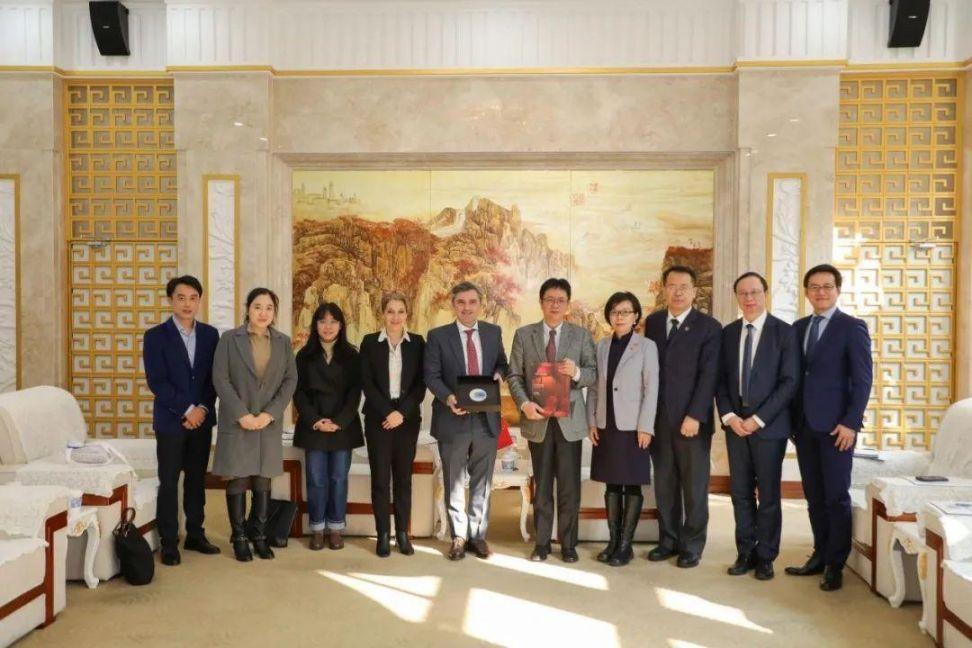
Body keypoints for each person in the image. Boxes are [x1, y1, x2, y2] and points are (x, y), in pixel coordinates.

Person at [786, 264, 872, 592]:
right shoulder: (798, 328)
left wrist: (851, 422)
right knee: (814, 496)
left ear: (837, 290)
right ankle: (819, 554)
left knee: (836, 496)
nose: (820, 292)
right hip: (805, 426)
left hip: (838, 429)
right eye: (814, 287)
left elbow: (863, 380)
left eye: (827, 286)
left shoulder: (852, 327)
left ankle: (836, 564)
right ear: (806, 292)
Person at [716, 272, 799, 581]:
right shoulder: (728, 333)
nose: (749, 298)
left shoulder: (784, 333)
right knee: (739, 493)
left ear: (765, 294)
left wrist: (758, 419)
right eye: (743, 293)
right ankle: (745, 552)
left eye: (754, 292)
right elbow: (720, 380)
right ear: (737, 297)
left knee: (768, 494)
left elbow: (789, 382)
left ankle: (766, 556)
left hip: (769, 427)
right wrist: (730, 417)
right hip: (735, 427)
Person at [507, 278, 597, 563]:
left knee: (569, 487)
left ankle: (568, 545)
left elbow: (593, 374)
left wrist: (577, 372)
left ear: (567, 304)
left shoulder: (580, 336)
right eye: (549, 299)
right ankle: (542, 543)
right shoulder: (524, 335)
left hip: (570, 422)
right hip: (538, 420)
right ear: (541, 302)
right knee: (542, 486)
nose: (555, 305)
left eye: (560, 300)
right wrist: (524, 404)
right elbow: (514, 376)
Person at [212, 287, 298, 562]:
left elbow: (290, 381)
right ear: (248, 309)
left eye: (269, 308)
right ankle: (239, 536)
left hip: (267, 423)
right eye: (257, 306)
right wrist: (242, 414)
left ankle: (259, 535)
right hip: (238, 422)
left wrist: (269, 414)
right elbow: (220, 379)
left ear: (274, 312)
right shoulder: (229, 339)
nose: (263, 313)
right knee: (238, 478)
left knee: (263, 479)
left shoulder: (283, 342)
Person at [643, 265, 721, 568]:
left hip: (692, 421)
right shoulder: (653, 322)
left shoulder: (709, 327)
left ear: (694, 291)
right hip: (659, 420)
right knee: (664, 484)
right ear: (664, 289)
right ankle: (668, 540)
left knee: (694, 487)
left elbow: (709, 376)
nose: (677, 292)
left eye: (684, 286)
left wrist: (695, 415)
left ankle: (692, 545)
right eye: (672, 286)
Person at [424, 281, 509, 561]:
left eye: (472, 302)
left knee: (483, 481)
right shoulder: (438, 336)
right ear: (453, 305)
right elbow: (431, 375)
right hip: (453, 418)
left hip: (486, 419)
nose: (467, 307)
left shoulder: (493, 332)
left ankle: (478, 536)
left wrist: (499, 375)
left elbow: (502, 363)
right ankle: (459, 536)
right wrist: (449, 398)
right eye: (461, 302)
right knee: (454, 480)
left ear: (480, 305)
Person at [142, 275, 221, 566]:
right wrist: (187, 410)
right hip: (170, 421)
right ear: (170, 300)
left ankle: (196, 534)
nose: (187, 304)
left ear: (199, 301)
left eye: (193, 298)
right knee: (169, 481)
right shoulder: (155, 336)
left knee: (197, 480)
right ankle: (168, 541)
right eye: (181, 297)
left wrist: (202, 408)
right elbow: (157, 381)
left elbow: (214, 378)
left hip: (202, 420)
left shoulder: (211, 335)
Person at [587, 291, 659, 566]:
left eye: (626, 312)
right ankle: (613, 541)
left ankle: (626, 546)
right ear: (609, 316)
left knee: (632, 485)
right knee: (612, 484)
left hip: (633, 428)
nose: (620, 317)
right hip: (606, 426)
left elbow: (651, 389)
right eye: (615, 312)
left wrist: (646, 426)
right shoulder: (601, 346)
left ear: (636, 316)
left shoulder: (646, 347)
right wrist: (592, 421)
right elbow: (595, 387)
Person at [293, 302, 364, 551]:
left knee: (338, 478)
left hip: (343, 426)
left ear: (341, 326)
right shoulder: (304, 356)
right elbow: (299, 393)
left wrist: (339, 422)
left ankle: (335, 528)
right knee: (316, 479)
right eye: (322, 321)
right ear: (315, 325)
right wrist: (316, 420)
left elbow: (355, 393)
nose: (328, 326)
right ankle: (316, 529)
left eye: (333, 321)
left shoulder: (352, 355)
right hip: (313, 426)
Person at [360, 292, 426, 557]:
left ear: (407, 314)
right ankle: (383, 535)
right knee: (380, 478)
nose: (395, 317)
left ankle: (402, 534)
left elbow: (421, 384)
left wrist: (401, 413)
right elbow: (366, 383)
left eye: (400, 311)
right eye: (390, 311)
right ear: (382, 314)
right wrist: (388, 412)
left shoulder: (417, 343)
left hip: (407, 420)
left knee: (403, 478)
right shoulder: (369, 342)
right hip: (378, 419)